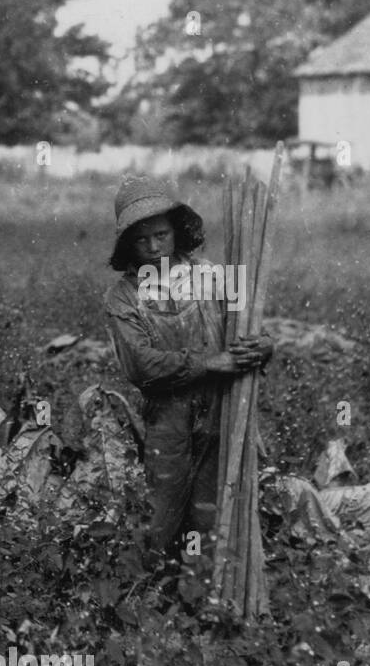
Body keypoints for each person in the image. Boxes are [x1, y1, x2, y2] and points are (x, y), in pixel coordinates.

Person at [103, 174, 272, 557]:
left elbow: (250, 330)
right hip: (167, 420)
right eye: (141, 239)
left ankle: (202, 598)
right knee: (160, 518)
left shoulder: (212, 277)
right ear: (128, 244)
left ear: (177, 232)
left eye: (161, 235)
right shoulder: (123, 298)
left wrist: (263, 346)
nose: (153, 247)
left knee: (212, 514)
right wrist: (210, 363)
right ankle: (152, 595)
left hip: (220, 411)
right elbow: (141, 366)